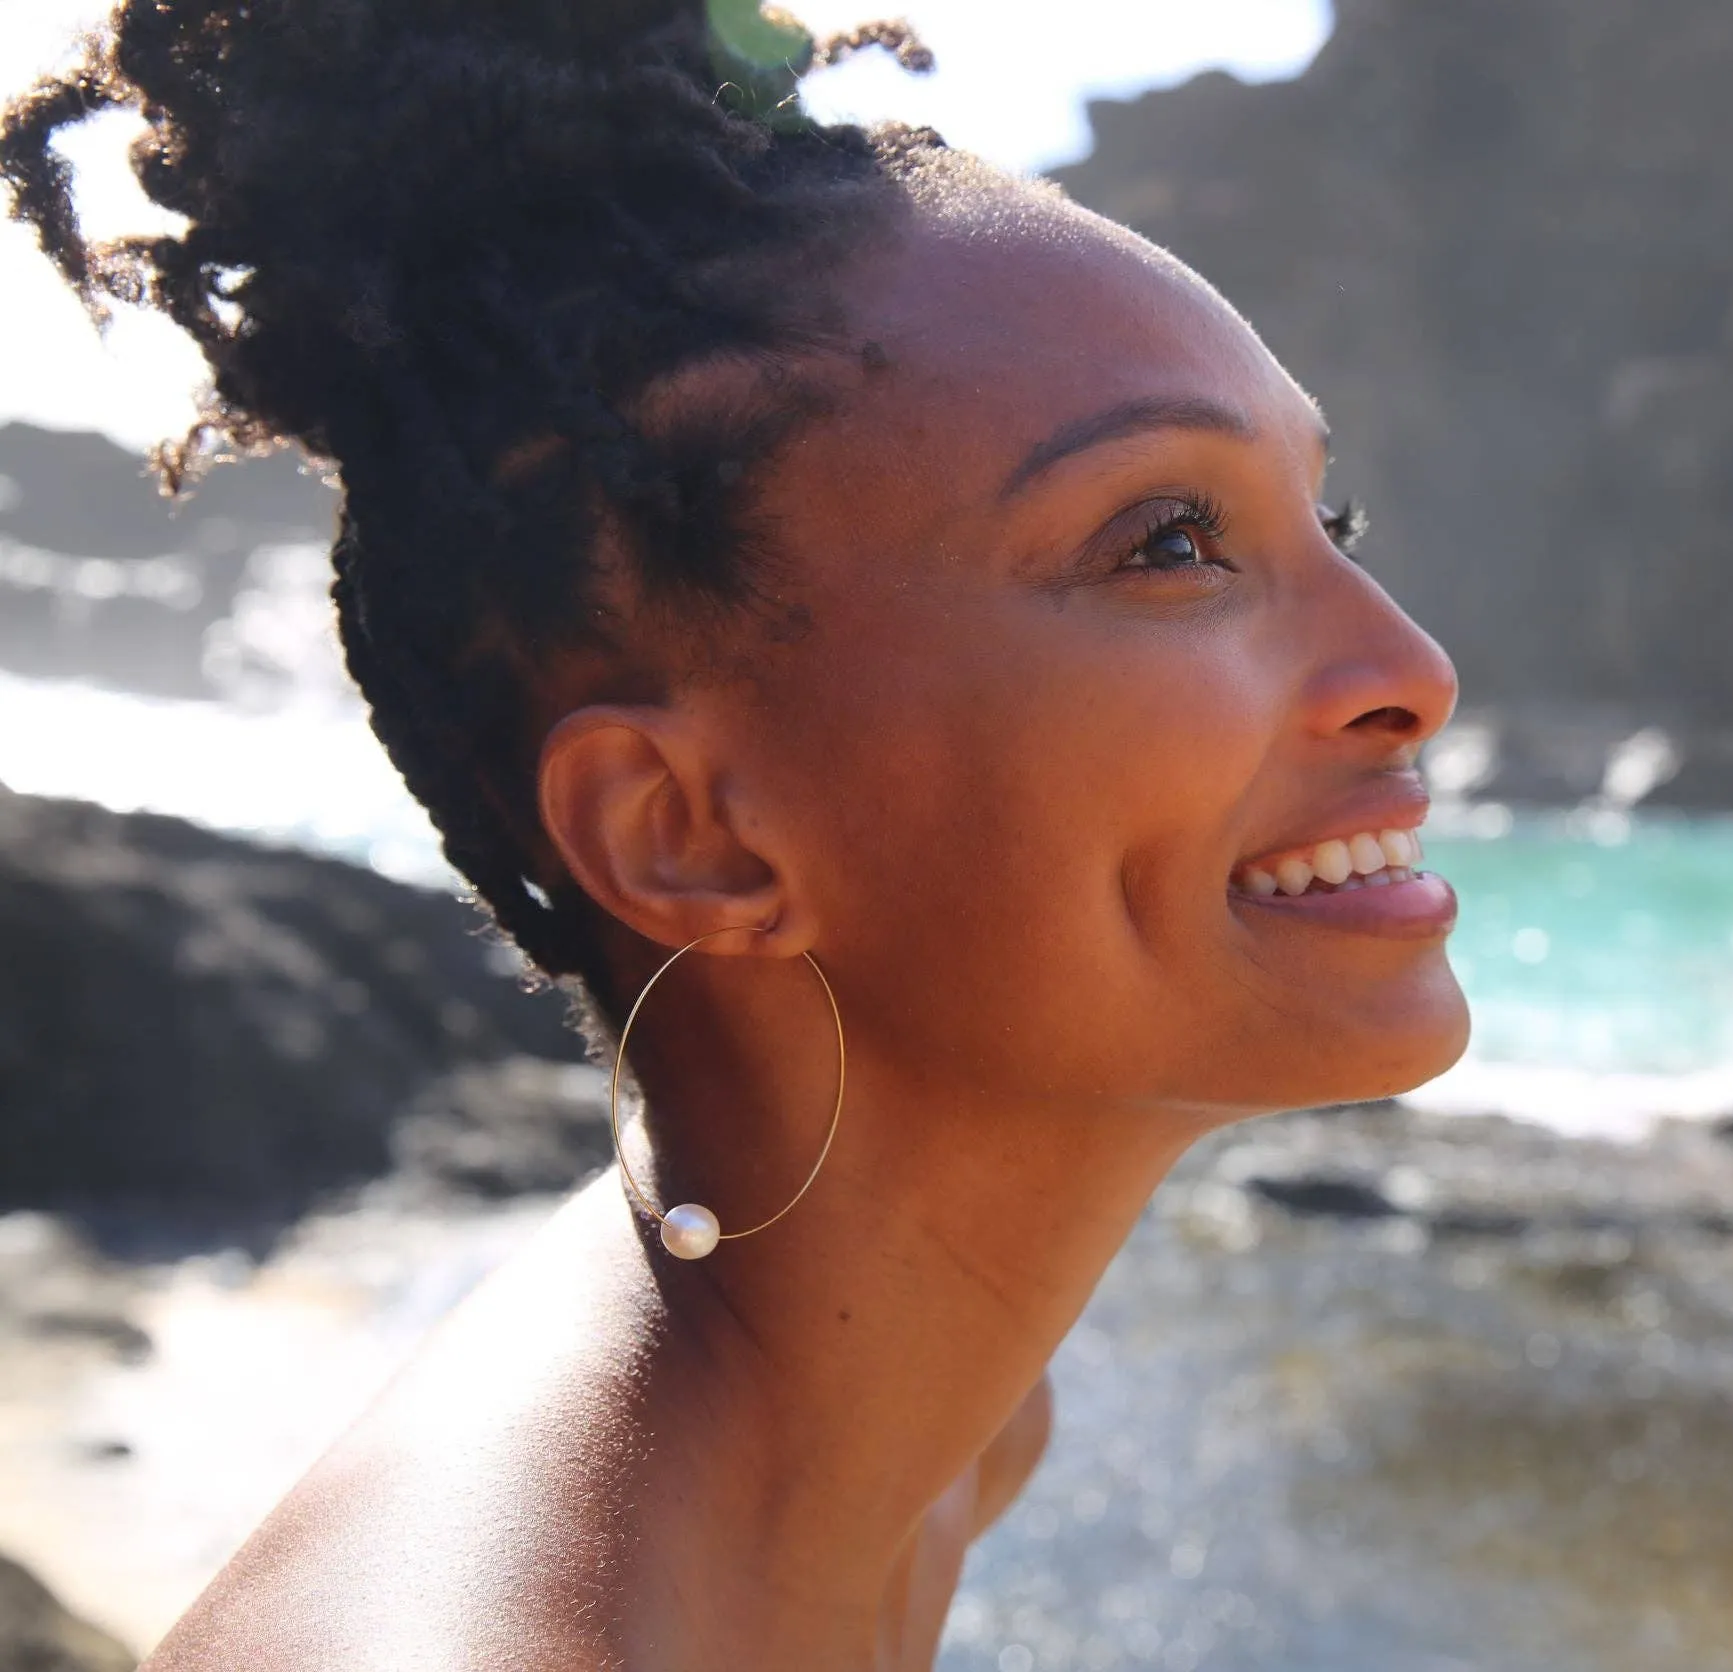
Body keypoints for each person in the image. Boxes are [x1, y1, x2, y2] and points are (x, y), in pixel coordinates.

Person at [3, 2, 1466, 1665]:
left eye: (1324, 517)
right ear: (689, 836)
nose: (1410, 673)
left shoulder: (941, 1427)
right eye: (1171, 540)